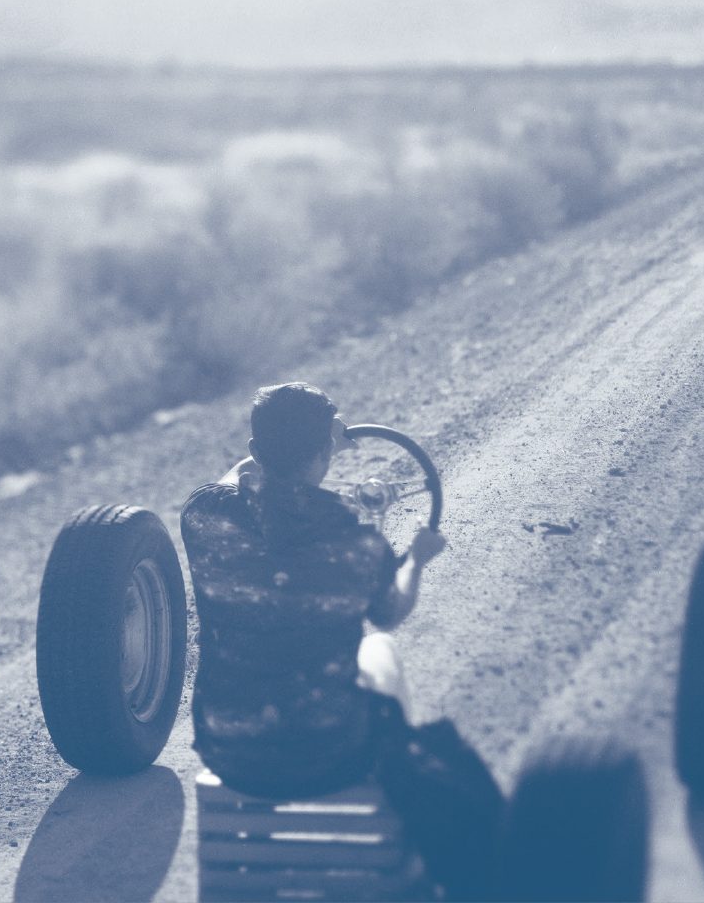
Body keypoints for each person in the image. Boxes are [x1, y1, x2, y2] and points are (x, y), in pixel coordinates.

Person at [182, 383, 499, 894]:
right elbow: (390, 613)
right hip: (333, 752)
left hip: (227, 747)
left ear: (256, 450)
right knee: (380, 651)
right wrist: (416, 557)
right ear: (325, 453)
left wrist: (289, 452)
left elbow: (244, 481)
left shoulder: (202, 516)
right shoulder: (355, 539)